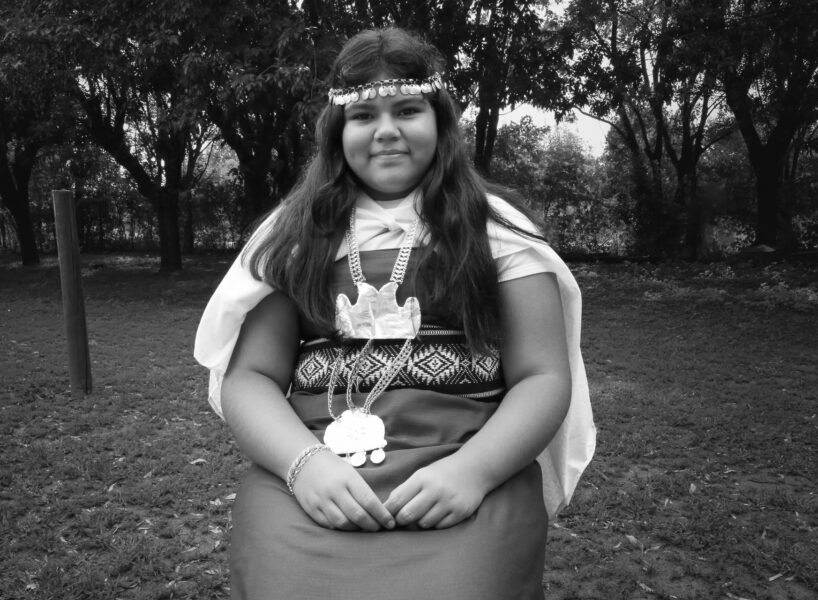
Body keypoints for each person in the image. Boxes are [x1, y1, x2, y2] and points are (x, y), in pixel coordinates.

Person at [194, 27, 595, 600]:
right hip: (312, 471)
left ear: (440, 121)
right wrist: (304, 465)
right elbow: (250, 377)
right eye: (363, 115)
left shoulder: (499, 231)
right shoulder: (295, 234)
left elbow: (543, 376)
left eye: (407, 110)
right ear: (338, 131)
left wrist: (473, 472)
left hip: (466, 468)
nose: (386, 131)